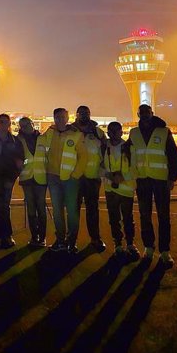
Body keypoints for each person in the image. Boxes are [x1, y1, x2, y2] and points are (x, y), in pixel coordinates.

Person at [129, 104, 177, 268]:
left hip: (160, 181)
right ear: (138, 114)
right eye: (141, 112)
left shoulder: (164, 132)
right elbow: (126, 152)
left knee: (163, 217)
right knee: (145, 216)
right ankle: (149, 248)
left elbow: (174, 156)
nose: (144, 115)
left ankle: (165, 251)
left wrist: (172, 178)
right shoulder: (134, 133)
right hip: (142, 180)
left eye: (147, 112)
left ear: (152, 113)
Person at [45, 107, 87, 254]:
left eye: (63, 117)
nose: (60, 120)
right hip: (53, 177)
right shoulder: (49, 133)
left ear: (68, 118)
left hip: (70, 179)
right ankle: (60, 240)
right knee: (57, 211)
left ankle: (72, 241)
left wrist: (75, 175)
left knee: (72, 211)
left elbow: (84, 157)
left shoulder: (76, 135)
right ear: (54, 118)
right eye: (57, 117)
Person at [0, 114, 24, 248]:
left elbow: (19, 161)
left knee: (5, 208)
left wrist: (12, 179)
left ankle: (7, 235)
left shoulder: (15, 141)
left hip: (8, 179)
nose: (3, 124)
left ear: (9, 124)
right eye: (1, 121)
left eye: (6, 122)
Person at [101, 121, 139, 261]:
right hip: (111, 189)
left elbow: (135, 168)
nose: (113, 133)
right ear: (108, 133)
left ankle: (130, 244)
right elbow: (99, 166)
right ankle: (118, 244)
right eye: (111, 131)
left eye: (117, 130)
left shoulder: (129, 148)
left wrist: (122, 177)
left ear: (121, 132)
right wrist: (108, 175)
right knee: (114, 218)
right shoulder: (104, 147)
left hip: (126, 189)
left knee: (128, 218)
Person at [73, 105, 107, 252]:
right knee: (73, 210)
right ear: (76, 115)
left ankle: (95, 238)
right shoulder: (70, 131)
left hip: (92, 178)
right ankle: (71, 239)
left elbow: (106, 152)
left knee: (92, 209)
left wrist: (104, 170)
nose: (84, 115)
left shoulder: (98, 132)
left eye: (86, 113)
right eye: (81, 113)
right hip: (74, 178)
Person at [17, 117, 48, 248]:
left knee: (41, 206)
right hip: (27, 177)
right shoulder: (18, 140)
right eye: (22, 125)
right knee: (31, 206)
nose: (25, 127)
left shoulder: (43, 138)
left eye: (27, 124)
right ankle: (34, 236)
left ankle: (42, 237)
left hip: (41, 177)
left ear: (32, 124)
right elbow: (16, 157)